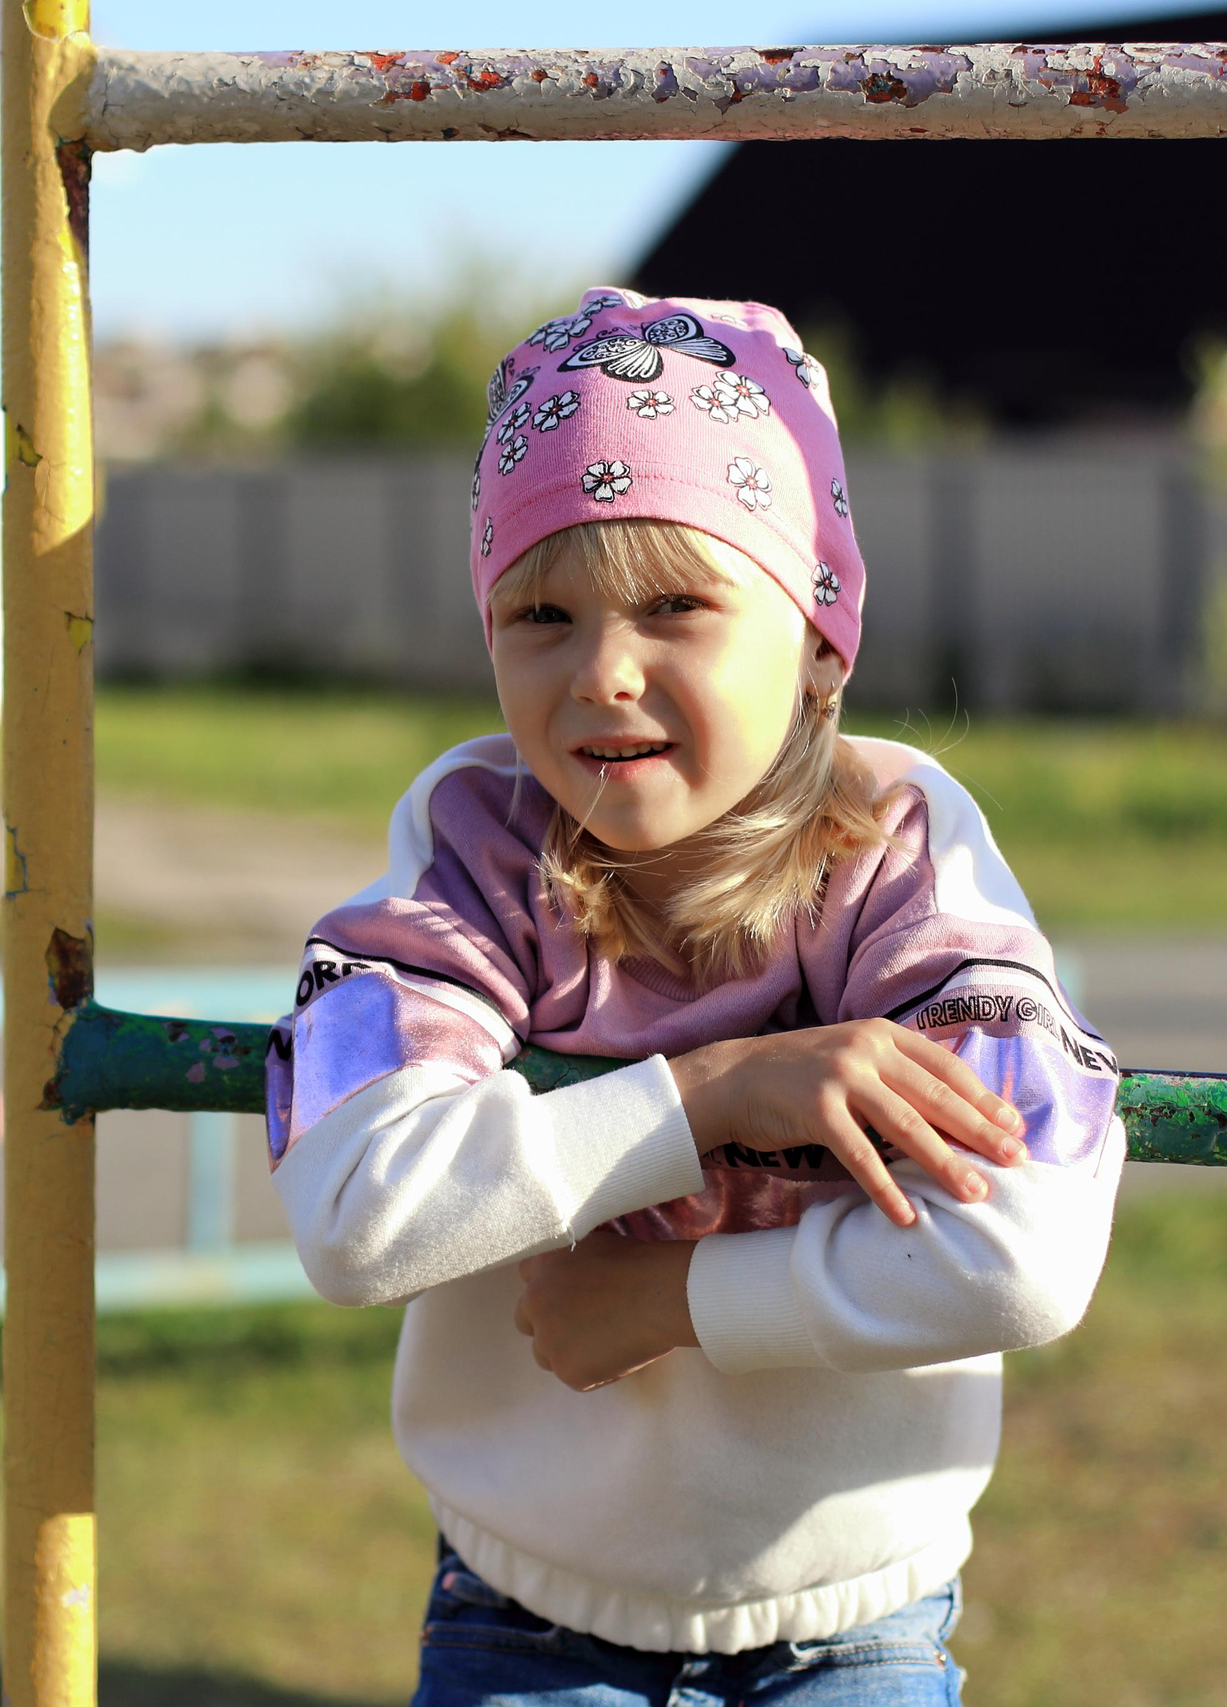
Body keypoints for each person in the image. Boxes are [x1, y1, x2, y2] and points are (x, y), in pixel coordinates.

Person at [265, 288, 1125, 1706]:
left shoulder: (908, 855)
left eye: (676, 605)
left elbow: (1024, 1250)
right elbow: (356, 1212)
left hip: (853, 1631)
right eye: (540, 613)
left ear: (820, 642)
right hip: (526, 1621)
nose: (604, 672)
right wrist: (715, 1093)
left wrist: (672, 1297)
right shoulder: (472, 850)